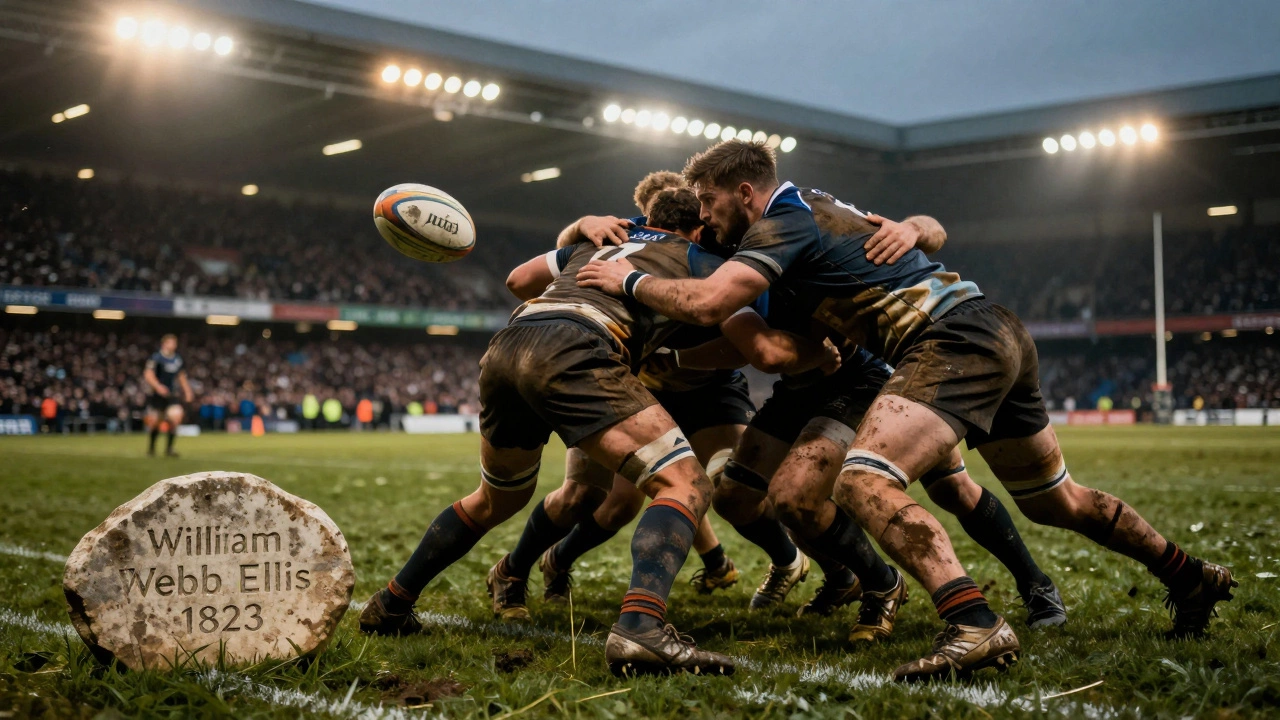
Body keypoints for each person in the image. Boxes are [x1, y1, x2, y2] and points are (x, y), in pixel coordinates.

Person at [578, 139, 1235, 682]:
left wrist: (628, 280)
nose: (708, 216)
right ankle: (1188, 575)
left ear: (745, 194)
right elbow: (920, 234)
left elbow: (707, 304)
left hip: (946, 342)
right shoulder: (818, 209)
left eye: (713, 203)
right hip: (991, 328)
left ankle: (974, 623)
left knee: (865, 480)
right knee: (1053, 500)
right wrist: (919, 226)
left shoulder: (784, 221)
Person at [359, 187, 835, 677]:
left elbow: (519, 279)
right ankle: (641, 629)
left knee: (494, 499)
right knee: (685, 484)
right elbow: (740, 332)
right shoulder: (700, 255)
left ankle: (391, 603)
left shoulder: (601, 240)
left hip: (511, 344)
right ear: (697, 228)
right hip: (580, 348)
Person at [142, 334, 193, 457]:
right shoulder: (156, 358)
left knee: (175, 417)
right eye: (171, 343)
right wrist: (158, 386)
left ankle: (169, 449)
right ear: (164, 344)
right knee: (155, 422)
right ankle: (152, 449)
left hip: (171, 395)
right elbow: (148, 374)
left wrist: (187, 391)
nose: (174, 345)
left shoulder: (177, 359)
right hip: (157, 395)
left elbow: (181, 376)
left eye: (174, 343)